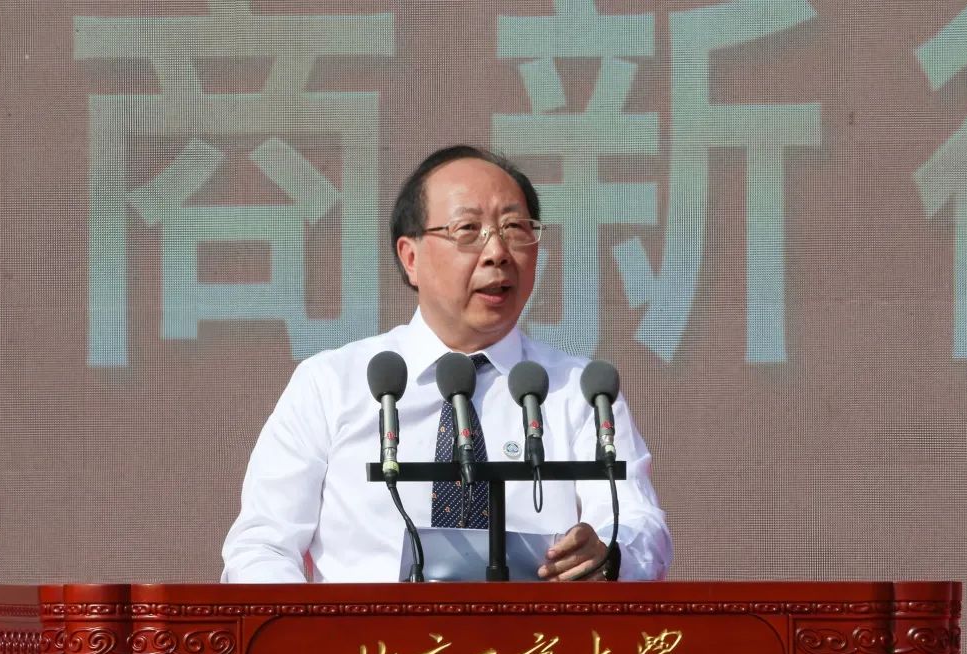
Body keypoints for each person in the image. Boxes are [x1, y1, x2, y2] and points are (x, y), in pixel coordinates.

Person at [221, 145, 672, 583]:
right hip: (368, 635)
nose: (497, 252)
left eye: (515, 228)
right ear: (411, 257)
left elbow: (639, 523)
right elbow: (262, 546)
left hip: (536, 633)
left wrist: (609, 556)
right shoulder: (331, 384)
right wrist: (315, 629)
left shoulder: (579, 390)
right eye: (468, 229)